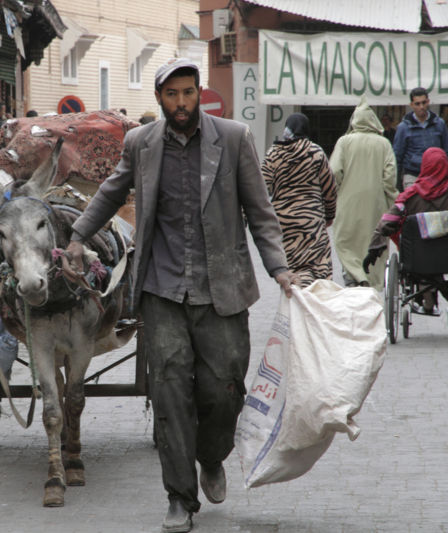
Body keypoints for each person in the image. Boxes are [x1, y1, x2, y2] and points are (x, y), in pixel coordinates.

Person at [63, 58, 297, 533]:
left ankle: (212, 457)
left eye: (188, 93)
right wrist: (77, 236)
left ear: (198, 92)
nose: (182, 103)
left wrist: (281, 269)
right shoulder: (141, 144)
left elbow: (260, 210)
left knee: (224, 390)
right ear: (160, 100)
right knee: (169, 393)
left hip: (223, 291)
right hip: (162, 290)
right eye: (172, 96)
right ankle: (178, 496)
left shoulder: (233, 138)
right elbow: (110, 192)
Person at [363, 147, 448, 313]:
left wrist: (374, 249)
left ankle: (427, 301)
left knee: (421, 258)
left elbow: (386, 223)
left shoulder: (410, 195)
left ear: (424, 166)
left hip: (419, 260)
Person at [329, 96, 397, 290]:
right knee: (373, 243)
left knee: (349, 243)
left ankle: (354, 277)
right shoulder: (383, 143)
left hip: (347, 205)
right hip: (375, 206)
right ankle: (372, 283)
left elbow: (334, 172)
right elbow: (389, 178)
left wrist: (336, 195)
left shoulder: (344, 141)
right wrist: (394, 201)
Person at [262, 113, 337, 286]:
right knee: (317, 268)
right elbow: (329, 189)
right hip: (312, 222)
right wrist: (329, 215)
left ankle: (295, 301)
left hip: (284, 223)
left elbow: (261, 189)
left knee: (292, 270)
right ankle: (311, 302)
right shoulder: (315, 152)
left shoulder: (273, 154)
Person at [393, 87, 448, 191]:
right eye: (417, 104)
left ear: (428, 102)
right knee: (415, 206)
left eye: (424, 103)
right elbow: (397, 158)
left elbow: (447, 154)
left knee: (436, 207)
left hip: (437, 176)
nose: (421, 107)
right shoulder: (403, 128)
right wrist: (396, 185)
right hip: (412, 176)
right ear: (411, 105)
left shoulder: (439, 124)